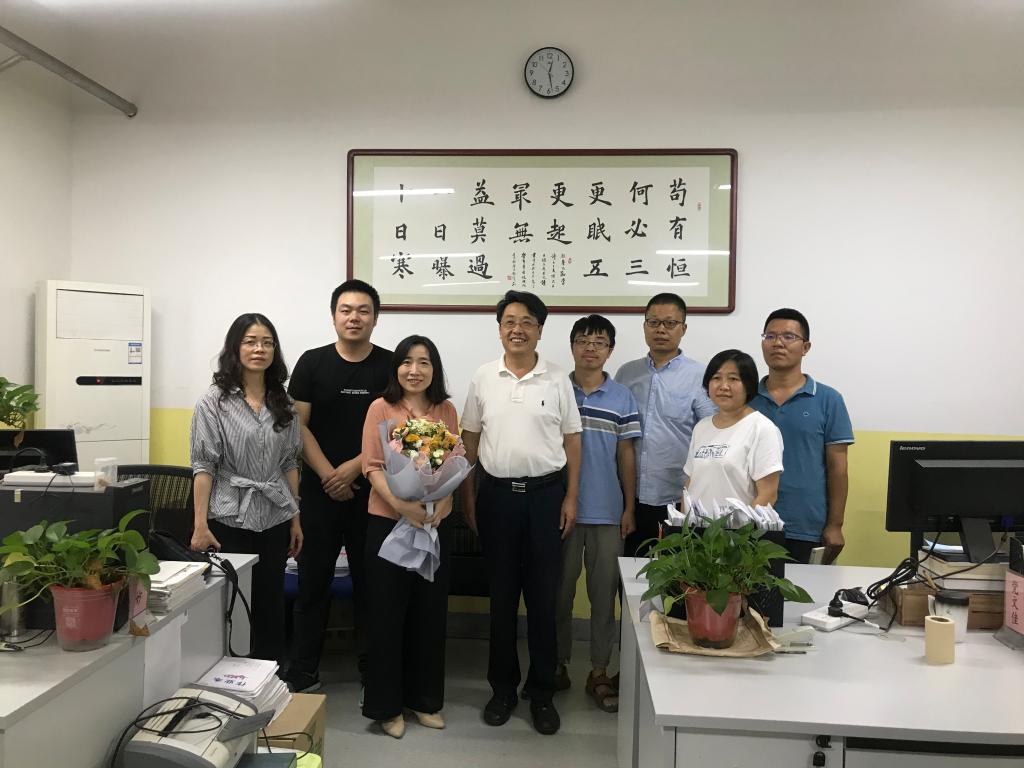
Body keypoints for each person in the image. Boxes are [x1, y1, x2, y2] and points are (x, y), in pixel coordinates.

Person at [460, 290, 582, 736]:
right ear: (499, 329)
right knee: (502, 598)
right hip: (496, 499)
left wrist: (571, 498)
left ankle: (542, 692)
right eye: (510, 321)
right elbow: (470, 442)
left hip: (546, 497)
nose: (518, 329)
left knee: (543, 599)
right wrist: (469, 499)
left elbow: (573, 440)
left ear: (540, 330)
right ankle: (503, 690)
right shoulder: (483, 377)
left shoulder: (557, 378)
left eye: (527, 321)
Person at [285, 280, 392, 694]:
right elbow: (298, 427)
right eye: (346, 310)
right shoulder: (312, 363)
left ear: (375, 318)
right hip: (319, 492)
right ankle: (303, 669)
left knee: (372, 585)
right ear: (334, 316)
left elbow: (394, 431)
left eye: (363, 310)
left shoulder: (390, 366)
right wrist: (331, 474)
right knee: (312, 583)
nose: (354, 317)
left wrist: (353, 469)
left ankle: (372, 669)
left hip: (375, 492)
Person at [359, 335, 459, 738]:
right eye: (406, 362)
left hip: (433, 525)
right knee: (386, 615)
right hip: (389, 522)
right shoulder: (380, 408)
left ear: (434, 369)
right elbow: (372, 465)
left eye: (424, 362)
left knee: (429, 614)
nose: (414, 370)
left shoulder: (445, 409)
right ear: (396, 368)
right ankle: (387, 707)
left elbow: (455, 462)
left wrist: (444, 501)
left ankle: (425, 700)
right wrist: (403, 507)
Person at [190, 312, 303, 662]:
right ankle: (229, 675)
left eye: (267, 343)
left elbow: (290, 463)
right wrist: (199, 524)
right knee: (231, 601)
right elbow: (203, 465)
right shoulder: (214, 401)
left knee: (270, 601)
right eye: (251, 342)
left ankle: (271, 674)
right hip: (228, 515)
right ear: (235, 348)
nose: (259, 349)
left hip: (274, 515)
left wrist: (295, 518)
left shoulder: (283, 401)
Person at [555, 315, 640, 714]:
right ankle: (556, 664)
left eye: (600, 342)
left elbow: (627, 454)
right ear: (572, 345)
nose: (591, 348)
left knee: (604, 598)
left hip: (607, 512)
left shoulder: (622, 397)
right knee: (558, 594)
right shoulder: (555, 388)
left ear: (610, 350)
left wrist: (629, 506)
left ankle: (599, 670)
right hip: (562, 511)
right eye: (583, 340)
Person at [614, 293, 716, 556]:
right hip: (631, 498)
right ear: (644, 326)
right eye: (654, 322)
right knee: (631, 572)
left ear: (684, 328)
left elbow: (711, 434)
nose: (661, 329)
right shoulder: (626, 373)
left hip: (678, 498)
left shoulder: (701, 376)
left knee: (679, 576)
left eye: (670, 323)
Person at [750, 308, 853, 564]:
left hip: (806, 526)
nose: (778, 343)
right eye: (770, 336)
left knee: (805, 590)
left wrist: (835, 524)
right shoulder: (747, 398)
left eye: (788, 336)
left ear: (805, 347)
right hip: (751, 524)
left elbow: (838, 468)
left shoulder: (828, 399)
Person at [684, 349, 784, 512]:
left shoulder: (762, 428)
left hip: (735, 528)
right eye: (716, 378)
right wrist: (683, 524)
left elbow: (768, 495)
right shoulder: (702, 426)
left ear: (748, 385)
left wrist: (742, 528)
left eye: (733, 379)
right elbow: (690, 483)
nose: (723, 386)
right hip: (695, 527)